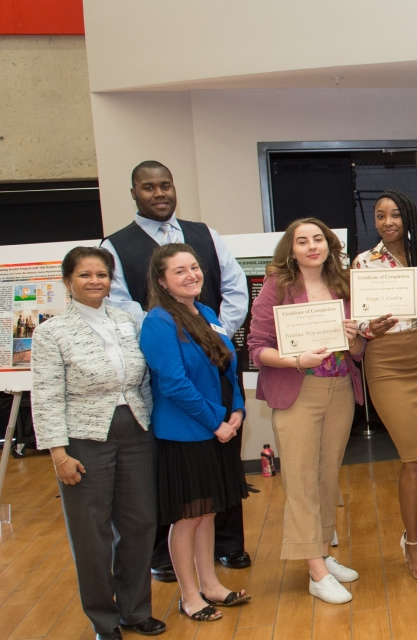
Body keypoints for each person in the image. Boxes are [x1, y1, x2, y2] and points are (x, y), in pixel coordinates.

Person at [100, 160, 252, 580]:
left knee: (218, 484)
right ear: (134, 193)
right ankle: (174, 567)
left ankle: (226, 551)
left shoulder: (205, 237)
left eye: (165, 185)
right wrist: (184, 331)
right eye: (148, 187)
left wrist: (211, 337)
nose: (159, 193)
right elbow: (124, 309)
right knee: (185, 497)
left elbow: (236, 289)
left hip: (212, 366)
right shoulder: (116, 246)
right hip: (179, 395)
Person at [32, 247, 166, 640]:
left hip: (137, 432)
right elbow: (46, 396)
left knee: (140, 522)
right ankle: (103, 621)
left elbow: (144, 380)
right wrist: (58, 453)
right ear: (68, 281)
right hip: (83, 439)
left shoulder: (127, 320)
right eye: (85, 275)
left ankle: (135, 610)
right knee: (92, 534)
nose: (95, 281)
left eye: (102, 274)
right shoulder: (50, 332)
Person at [249, 218, 366, 604]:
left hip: (339, 390)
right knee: (300, 480)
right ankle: (315, 570)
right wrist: (296, 358)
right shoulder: (276, 287)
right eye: (303, 241)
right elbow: (256, 348)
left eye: (318, 239)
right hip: (297, 390)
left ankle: (324, 553)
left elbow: (359, 353)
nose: (312, 246)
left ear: (330, 245)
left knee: (326, 477)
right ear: (291, 249)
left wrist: (353, 340)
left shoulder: (342, 287)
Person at [139, 243, 251, 623]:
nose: (191, 275)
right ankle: (189, 596)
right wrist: (215, 421)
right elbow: (173, 383)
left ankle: (211, 585)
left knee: (208, 512)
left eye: (194, 267)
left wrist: (237, 409)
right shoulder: (158, 321)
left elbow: (227, 364)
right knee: (187, 517)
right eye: (179, 271)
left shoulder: (205, 312)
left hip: (219, 426)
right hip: (187, 433)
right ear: (162, 281)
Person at [351, 190, 417, 581]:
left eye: (394, 215)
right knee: (413, 456)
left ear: (408, 219)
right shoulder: (363, 262)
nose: (387, 222)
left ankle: (411, 536)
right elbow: (360, 327)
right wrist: (372, 328)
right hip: (386, 363)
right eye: (380, 215)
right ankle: (415, 543)